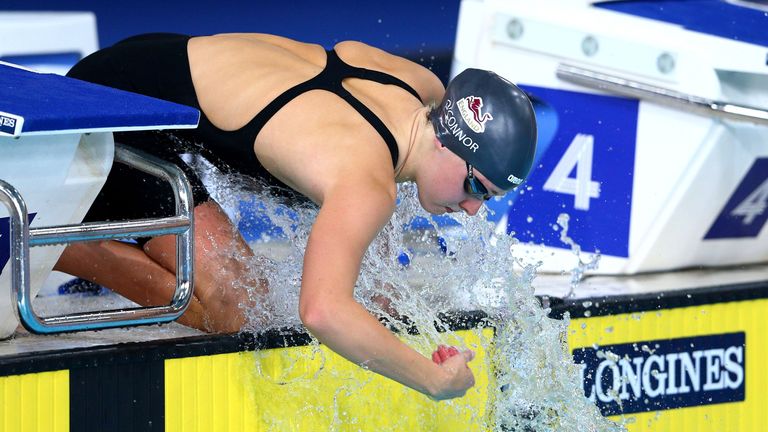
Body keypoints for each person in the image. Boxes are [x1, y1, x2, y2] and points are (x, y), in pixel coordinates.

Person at [55, 33, 537, 401]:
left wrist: (381, 289)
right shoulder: (364, 181)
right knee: (236, 309)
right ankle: (52, 245)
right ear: (445, 142)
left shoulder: (421, 89)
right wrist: (432, 379)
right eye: (476, 187)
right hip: (108, 113)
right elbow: (323, 312)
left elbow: (391, 193)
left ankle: (95, 233)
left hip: (143, 65)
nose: (473, 210)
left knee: (248, 290)